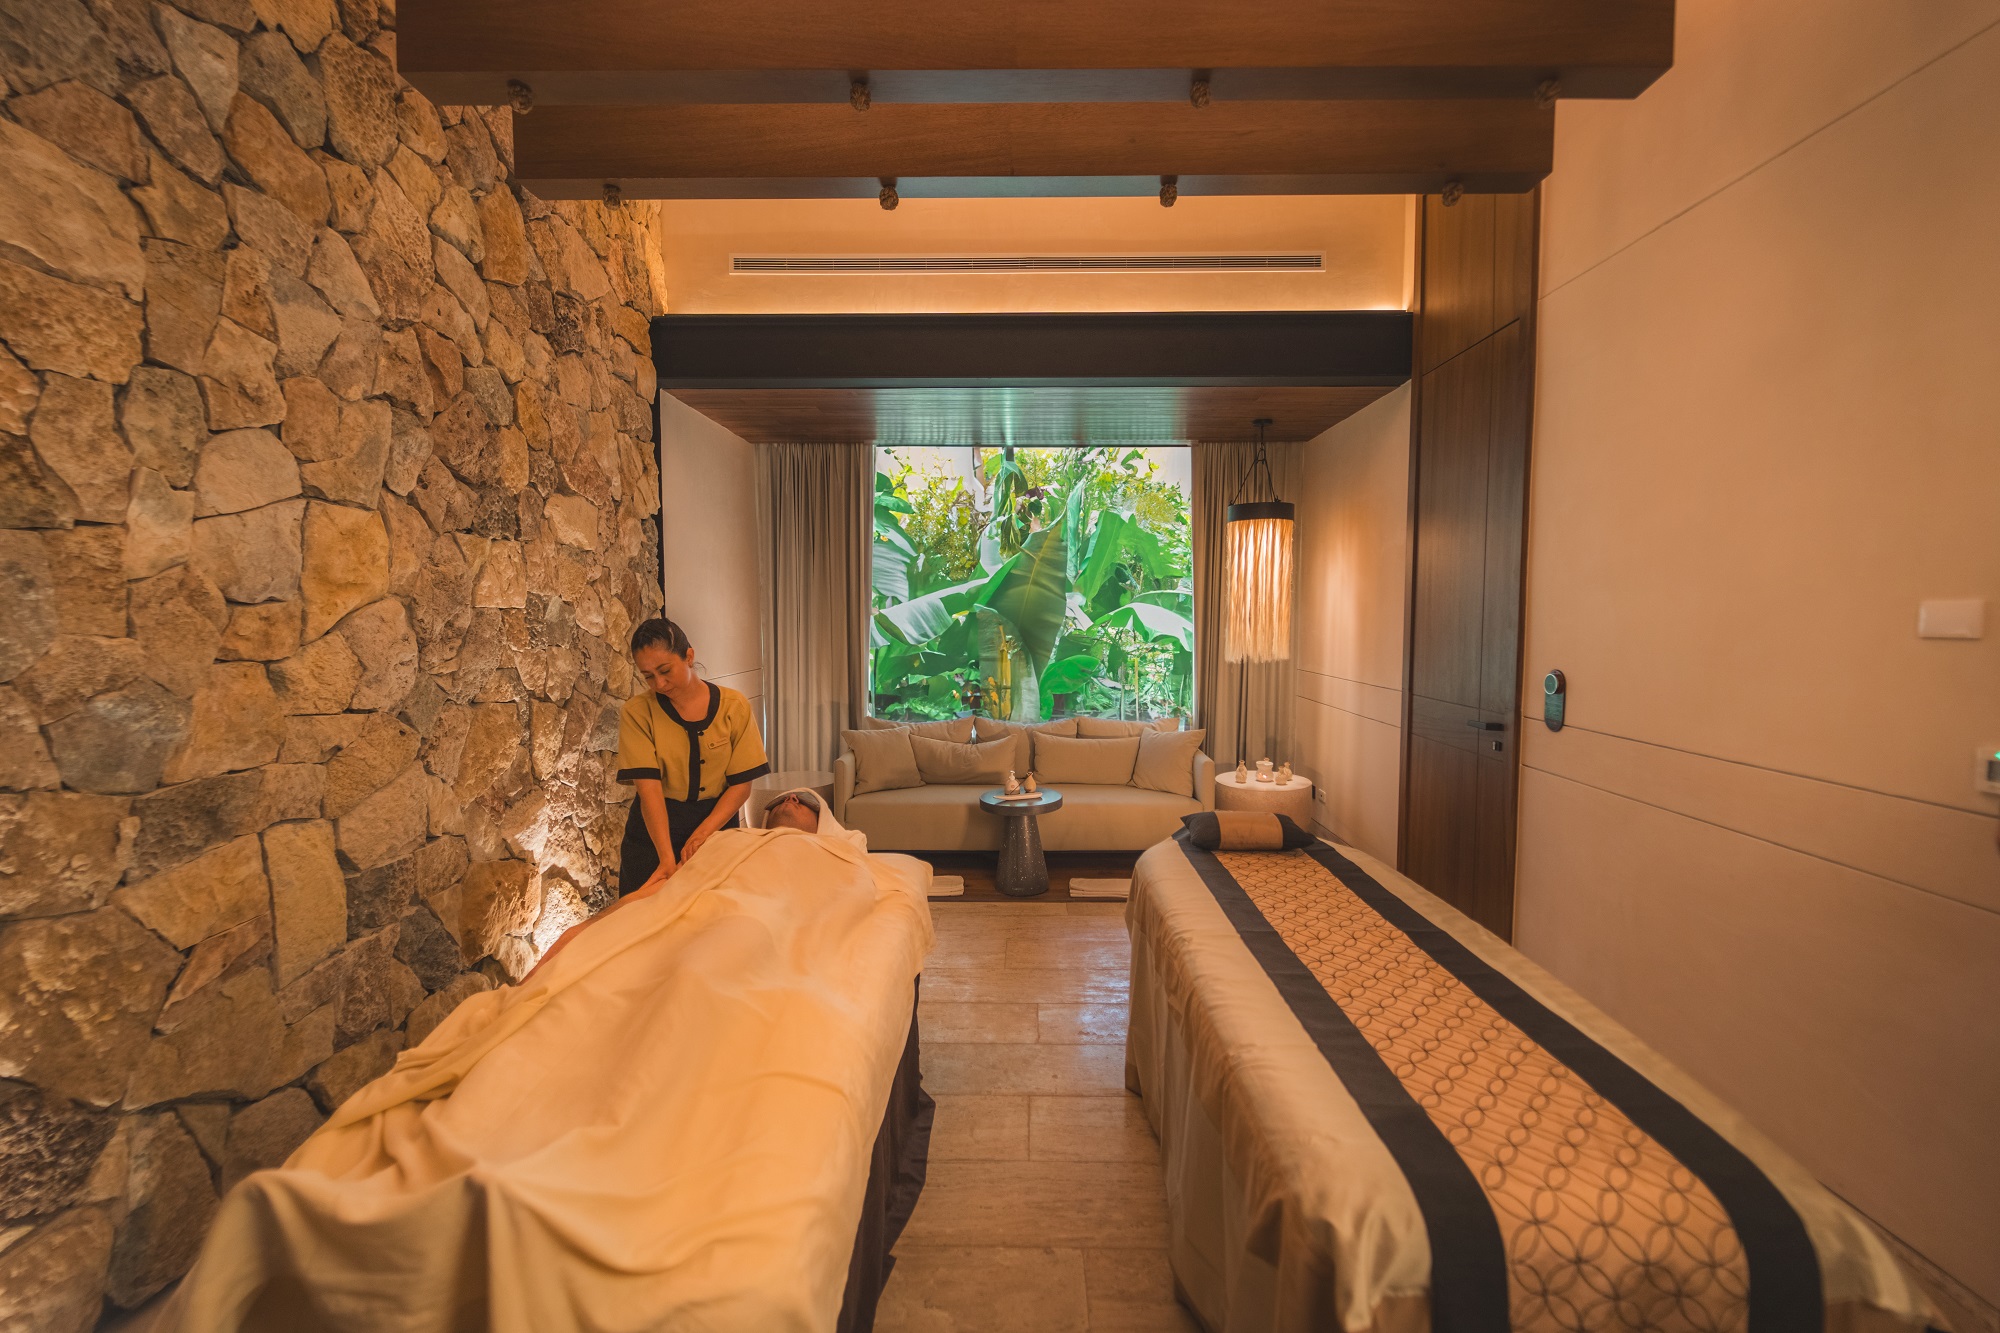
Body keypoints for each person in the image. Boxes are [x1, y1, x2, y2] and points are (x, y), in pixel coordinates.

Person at [613, 617, 770, 895]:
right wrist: (666, 859)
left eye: (665, 670)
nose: (659, 683)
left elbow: (741, 785)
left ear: (688, 656)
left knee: (710, 922)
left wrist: (703, 834)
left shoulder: (734, 706)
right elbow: (649, 791)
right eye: (648, 676)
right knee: (643, 922)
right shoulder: (637, 713)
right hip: (654, 835)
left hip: (717, 825)